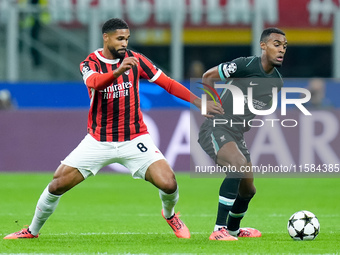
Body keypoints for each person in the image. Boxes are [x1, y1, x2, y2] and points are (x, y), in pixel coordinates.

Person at [4, 18, 223, 240]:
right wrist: (119, 72)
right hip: (98, 140)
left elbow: (167, 83)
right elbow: (95, 83)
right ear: (106, 38)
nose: (124, 43)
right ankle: (31, 231)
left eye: (127, 39)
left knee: (169, 183)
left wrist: (199, 102)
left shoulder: (135, 59)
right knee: (57, 184)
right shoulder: (89, 63)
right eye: (120, 39)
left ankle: (170, 215)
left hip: (134, 138)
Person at [198, 27, 287, 241]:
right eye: (277, 44)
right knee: (236, 167)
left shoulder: (277, 82)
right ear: (263, 46)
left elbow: (254, 108)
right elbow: (208, 76)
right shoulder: (244, 65)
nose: (282, 49)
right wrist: (211, 103)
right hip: (217, 127)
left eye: (285, 46)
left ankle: (233, 230)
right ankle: (218, 230)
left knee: (248, 190)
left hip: (236, 133)